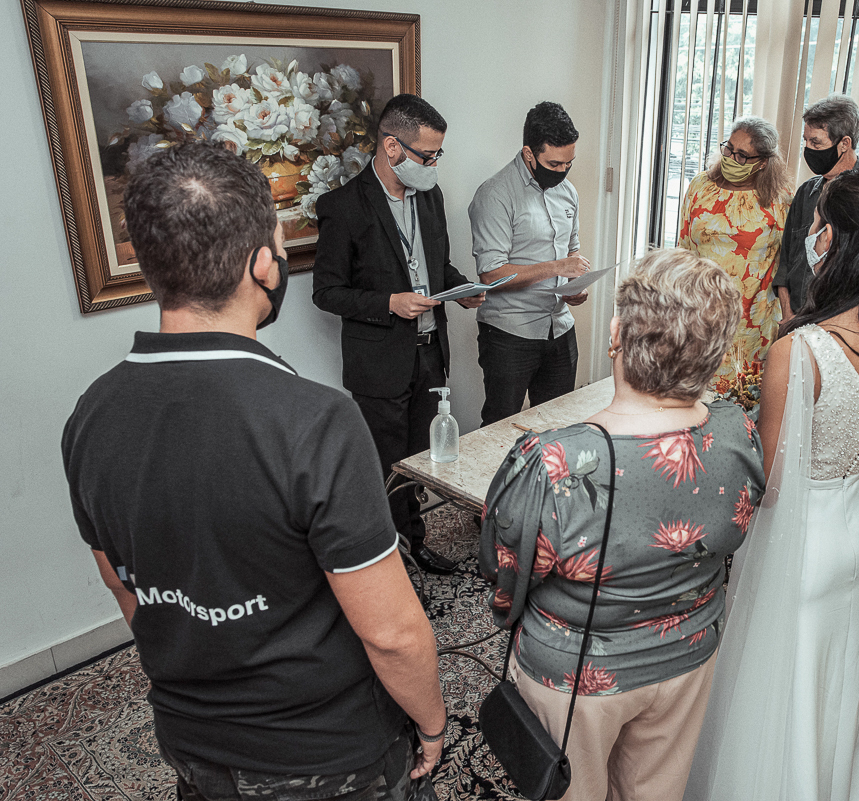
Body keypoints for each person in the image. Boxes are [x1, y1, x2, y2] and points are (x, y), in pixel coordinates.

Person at [61, 142, 446, 801]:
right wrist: (432, 721)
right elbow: (392, 633)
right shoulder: (317, 420)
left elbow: (133, 594)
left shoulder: (90, 415)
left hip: (194, 750)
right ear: (262, 263)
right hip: (330, 756)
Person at [479, 248, 766, 801]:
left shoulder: (554, 462)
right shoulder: (737, 432)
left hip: (580, 676)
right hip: (688, 654)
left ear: (616, 335)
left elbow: (504, 572)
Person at [685, 169, 859, 801]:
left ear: (841, 242)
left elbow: (770, 479)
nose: (811, 236)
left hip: (800, 538)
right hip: (857, 533)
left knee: (775, 674)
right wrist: (843, 459)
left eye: (820, 225)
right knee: (835, 673)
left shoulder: (800, 350)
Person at [313, 93, 482, 576]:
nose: (433, 166)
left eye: (437, 156)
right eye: (427, 156)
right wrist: (390, 303)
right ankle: (390, 566)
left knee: (420, 460)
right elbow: (327, 293)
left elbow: (437, 264)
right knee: (386, 469)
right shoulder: (343, 207)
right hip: (379, 362)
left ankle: (416, 543)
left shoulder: (430, 196)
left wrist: (460, 288)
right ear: (392, 148)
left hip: (430, 353)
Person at [470, 101, 591, 427]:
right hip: (510, 334)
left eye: (569, 163)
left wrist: (573, 291)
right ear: (528, 154)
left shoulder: (568, 193)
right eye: (554, 163)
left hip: (560, 329)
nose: (563, 171)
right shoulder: (494, 195)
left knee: (557, 426)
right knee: (498, 430)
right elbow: (491, 274)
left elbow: (572, 255)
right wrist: (555, 269)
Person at [678, 116, 793, 392]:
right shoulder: (700, 187)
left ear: (763, 162)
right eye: (729, 149)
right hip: (700, 315)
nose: (731, 158)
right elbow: (683, 249)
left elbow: (787, 262)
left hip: (752, 324)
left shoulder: (781, 198)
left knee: (739, 406)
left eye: (742, 156)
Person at [773, 94, 859, 320]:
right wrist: (787, 314)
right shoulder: (806, 192)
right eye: (805, 141)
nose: (808, 149)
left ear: (845, 143)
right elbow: (786, 259)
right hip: (795, 316)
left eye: (816, 142)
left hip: (841, 324)